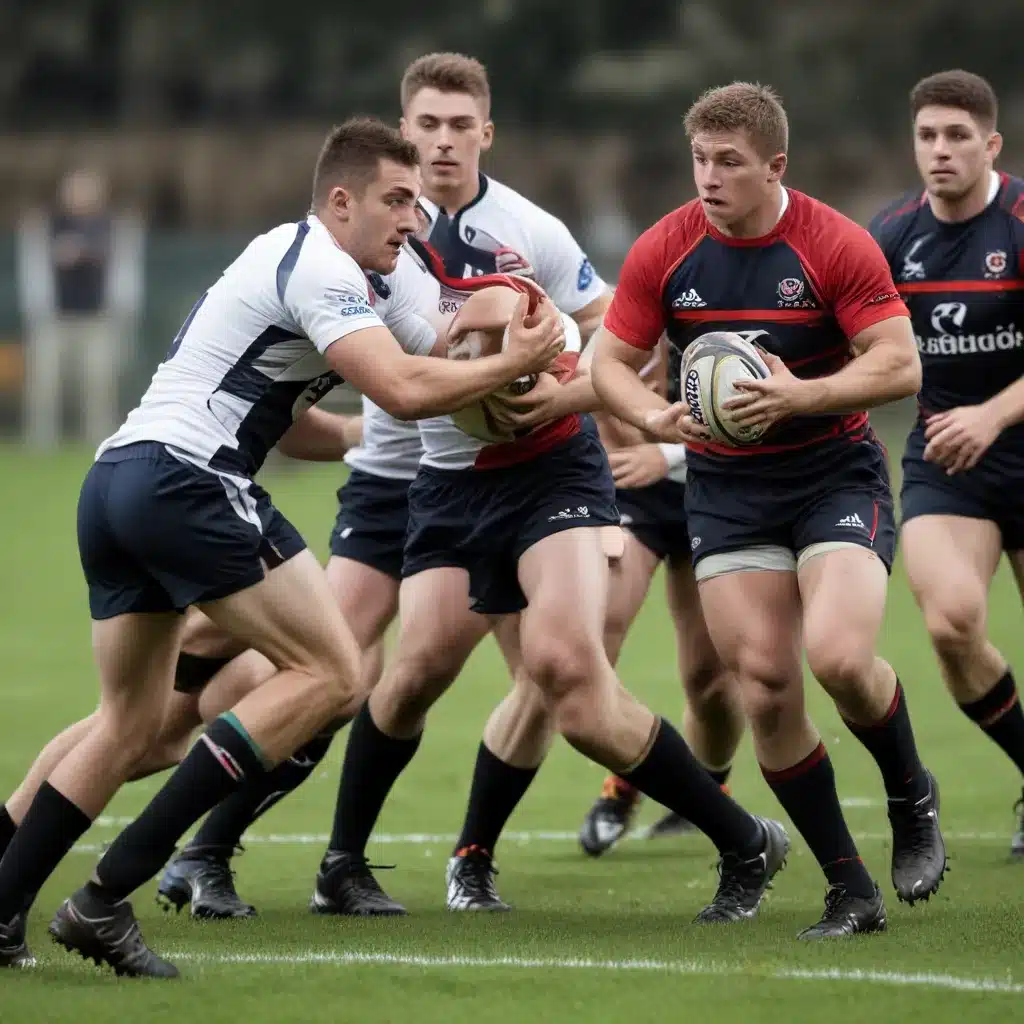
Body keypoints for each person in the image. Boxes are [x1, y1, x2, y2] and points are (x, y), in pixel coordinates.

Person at [0, 116, 565, 978]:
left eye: (416, 203)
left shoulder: (367, 269)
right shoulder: (321, 265)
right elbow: (411, 388)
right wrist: (508, 364)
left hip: (117, 480)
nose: (412, 220)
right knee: (335, 674)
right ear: (341, 202)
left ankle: (3, 909)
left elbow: (390, 372)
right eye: (395, 201)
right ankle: (105, 898)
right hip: (187, 482)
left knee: (133, 725)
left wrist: (502, 330)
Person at [156, 51, 617, 918]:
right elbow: (372, 380)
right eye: (427, 126)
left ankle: (439, 860)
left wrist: (575, 388)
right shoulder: (368, 222)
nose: (443, 142)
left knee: (541, 673)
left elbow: (606, 321)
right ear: (404, 133)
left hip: (494, 483)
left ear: (488, 131)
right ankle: (207, 844)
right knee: (335, 667)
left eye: (459, 125)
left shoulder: (532, 230)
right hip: (389, 483)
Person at [313, 272, 790, 925]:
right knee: (413, 676)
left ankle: (741, 842)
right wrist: (487, 362)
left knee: (565, 673)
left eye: (408, 200)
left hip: (552, 475)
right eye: (397, 196)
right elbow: (397, 384)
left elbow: (599, 331)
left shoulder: (510, 233)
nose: (415, 199)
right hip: (449, 490)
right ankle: (342, 865)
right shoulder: (350, 272)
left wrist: (555, 371)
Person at [591, 82, 946, 940]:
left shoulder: (834, 243)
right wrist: (647, 416)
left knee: (837, 657)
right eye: (700, 160)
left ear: (774, 166)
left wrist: (802, 396)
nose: (709, 178)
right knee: (765, 686)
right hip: (726, 490)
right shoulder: (666, 249)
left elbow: (901, 367)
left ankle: (911, 794)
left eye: (729, 163)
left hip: (833, 475)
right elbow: (608, 359)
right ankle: (849, 889)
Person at [870, 69, 1024, 858]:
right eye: (927, 135)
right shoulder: (892, 236)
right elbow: (848, 341)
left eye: (957, 135)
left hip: (1015, 440)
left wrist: (996, 412)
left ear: (990, 144)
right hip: (946, 463)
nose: (940, 150)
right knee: (952, 623)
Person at [577, 337, 745, 856]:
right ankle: (624, 782)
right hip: (637, 494)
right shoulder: (639, 300)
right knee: (595, 634)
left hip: (719, 489)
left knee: (710, 681)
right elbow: (598, 378)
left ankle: (707, 791)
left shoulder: (749, 303)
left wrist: (668, 453)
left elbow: (763, 416)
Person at [17, 167, 144, 447]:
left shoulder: (114, 226)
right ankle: (40, 443)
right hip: (55, 317)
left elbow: (125, 271)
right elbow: (33, 268)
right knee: (45, 385)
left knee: (99, 385)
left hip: (98, 317)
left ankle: (98, 442)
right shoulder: (47, 224)